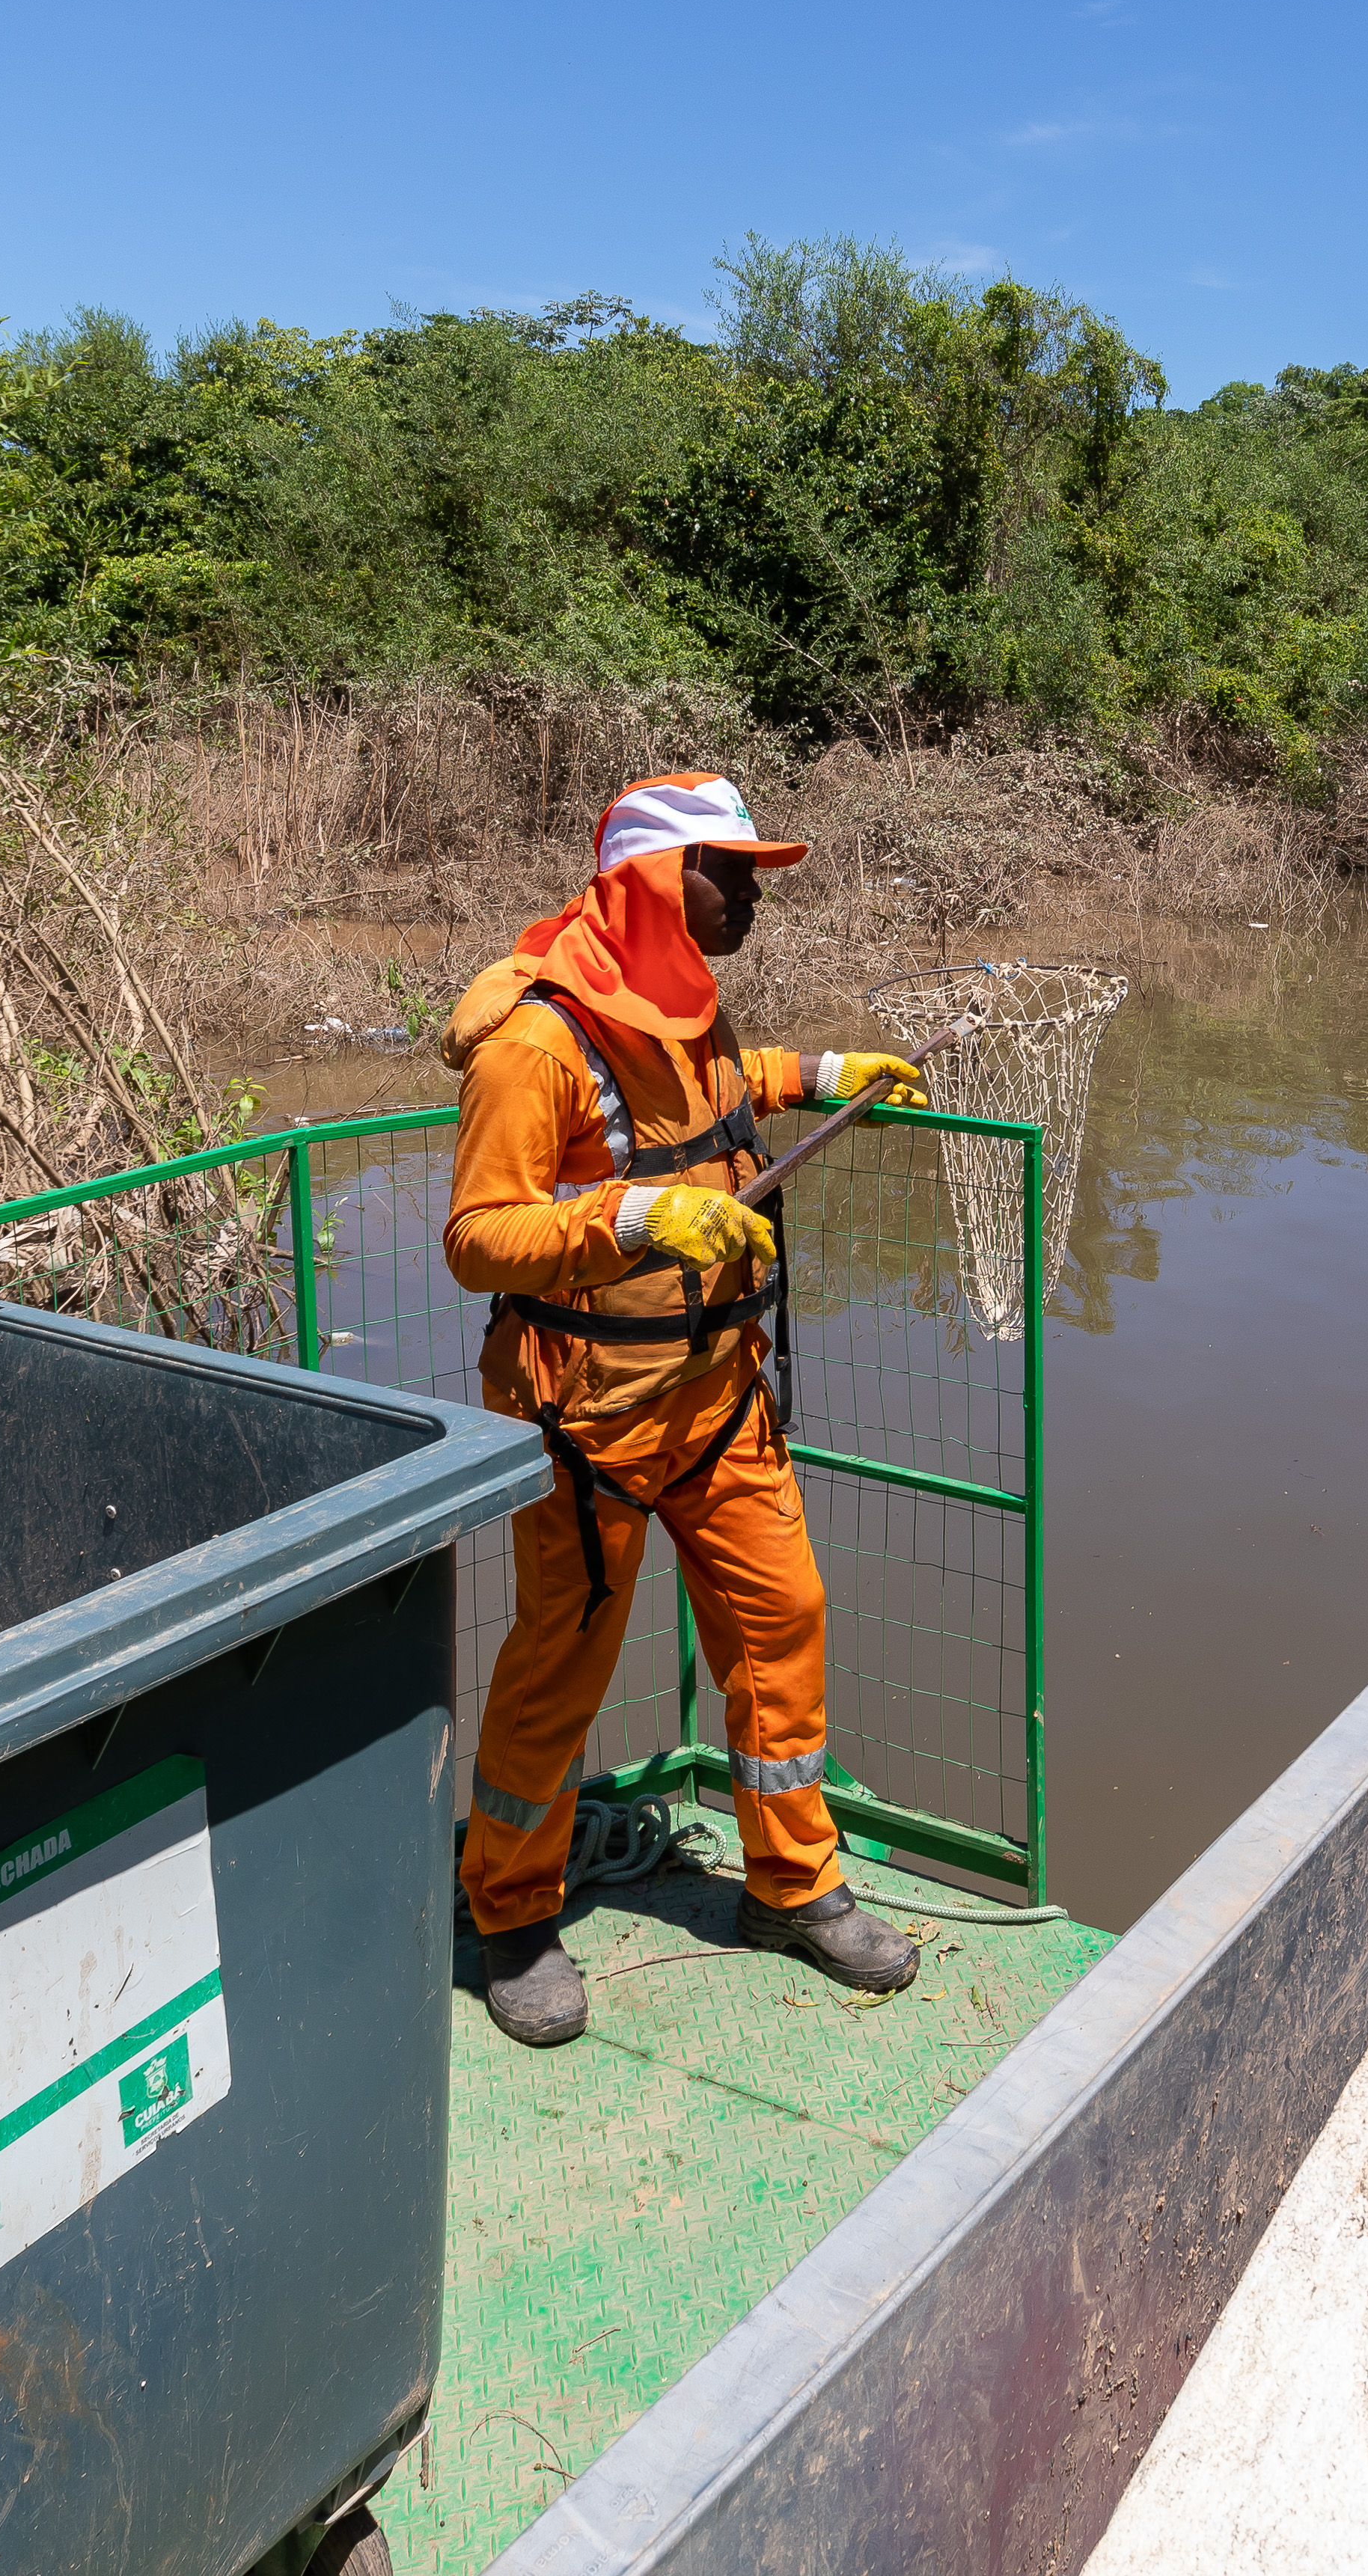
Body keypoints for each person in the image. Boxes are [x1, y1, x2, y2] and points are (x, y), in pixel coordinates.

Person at [437, 770, 938, 2047]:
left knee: (786, 1619)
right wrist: (638, 1215)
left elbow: (712, 1093)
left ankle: (795, 1882)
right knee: (561, 1668)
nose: (752, 896)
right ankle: (508, 1909)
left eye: (755, 874)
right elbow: (478, 1236)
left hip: (718, 1399)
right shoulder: (535, 1045)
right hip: (587, 1420)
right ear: (654, 883)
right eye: (732, 872)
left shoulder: (681, 1000)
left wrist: (824, 1070)